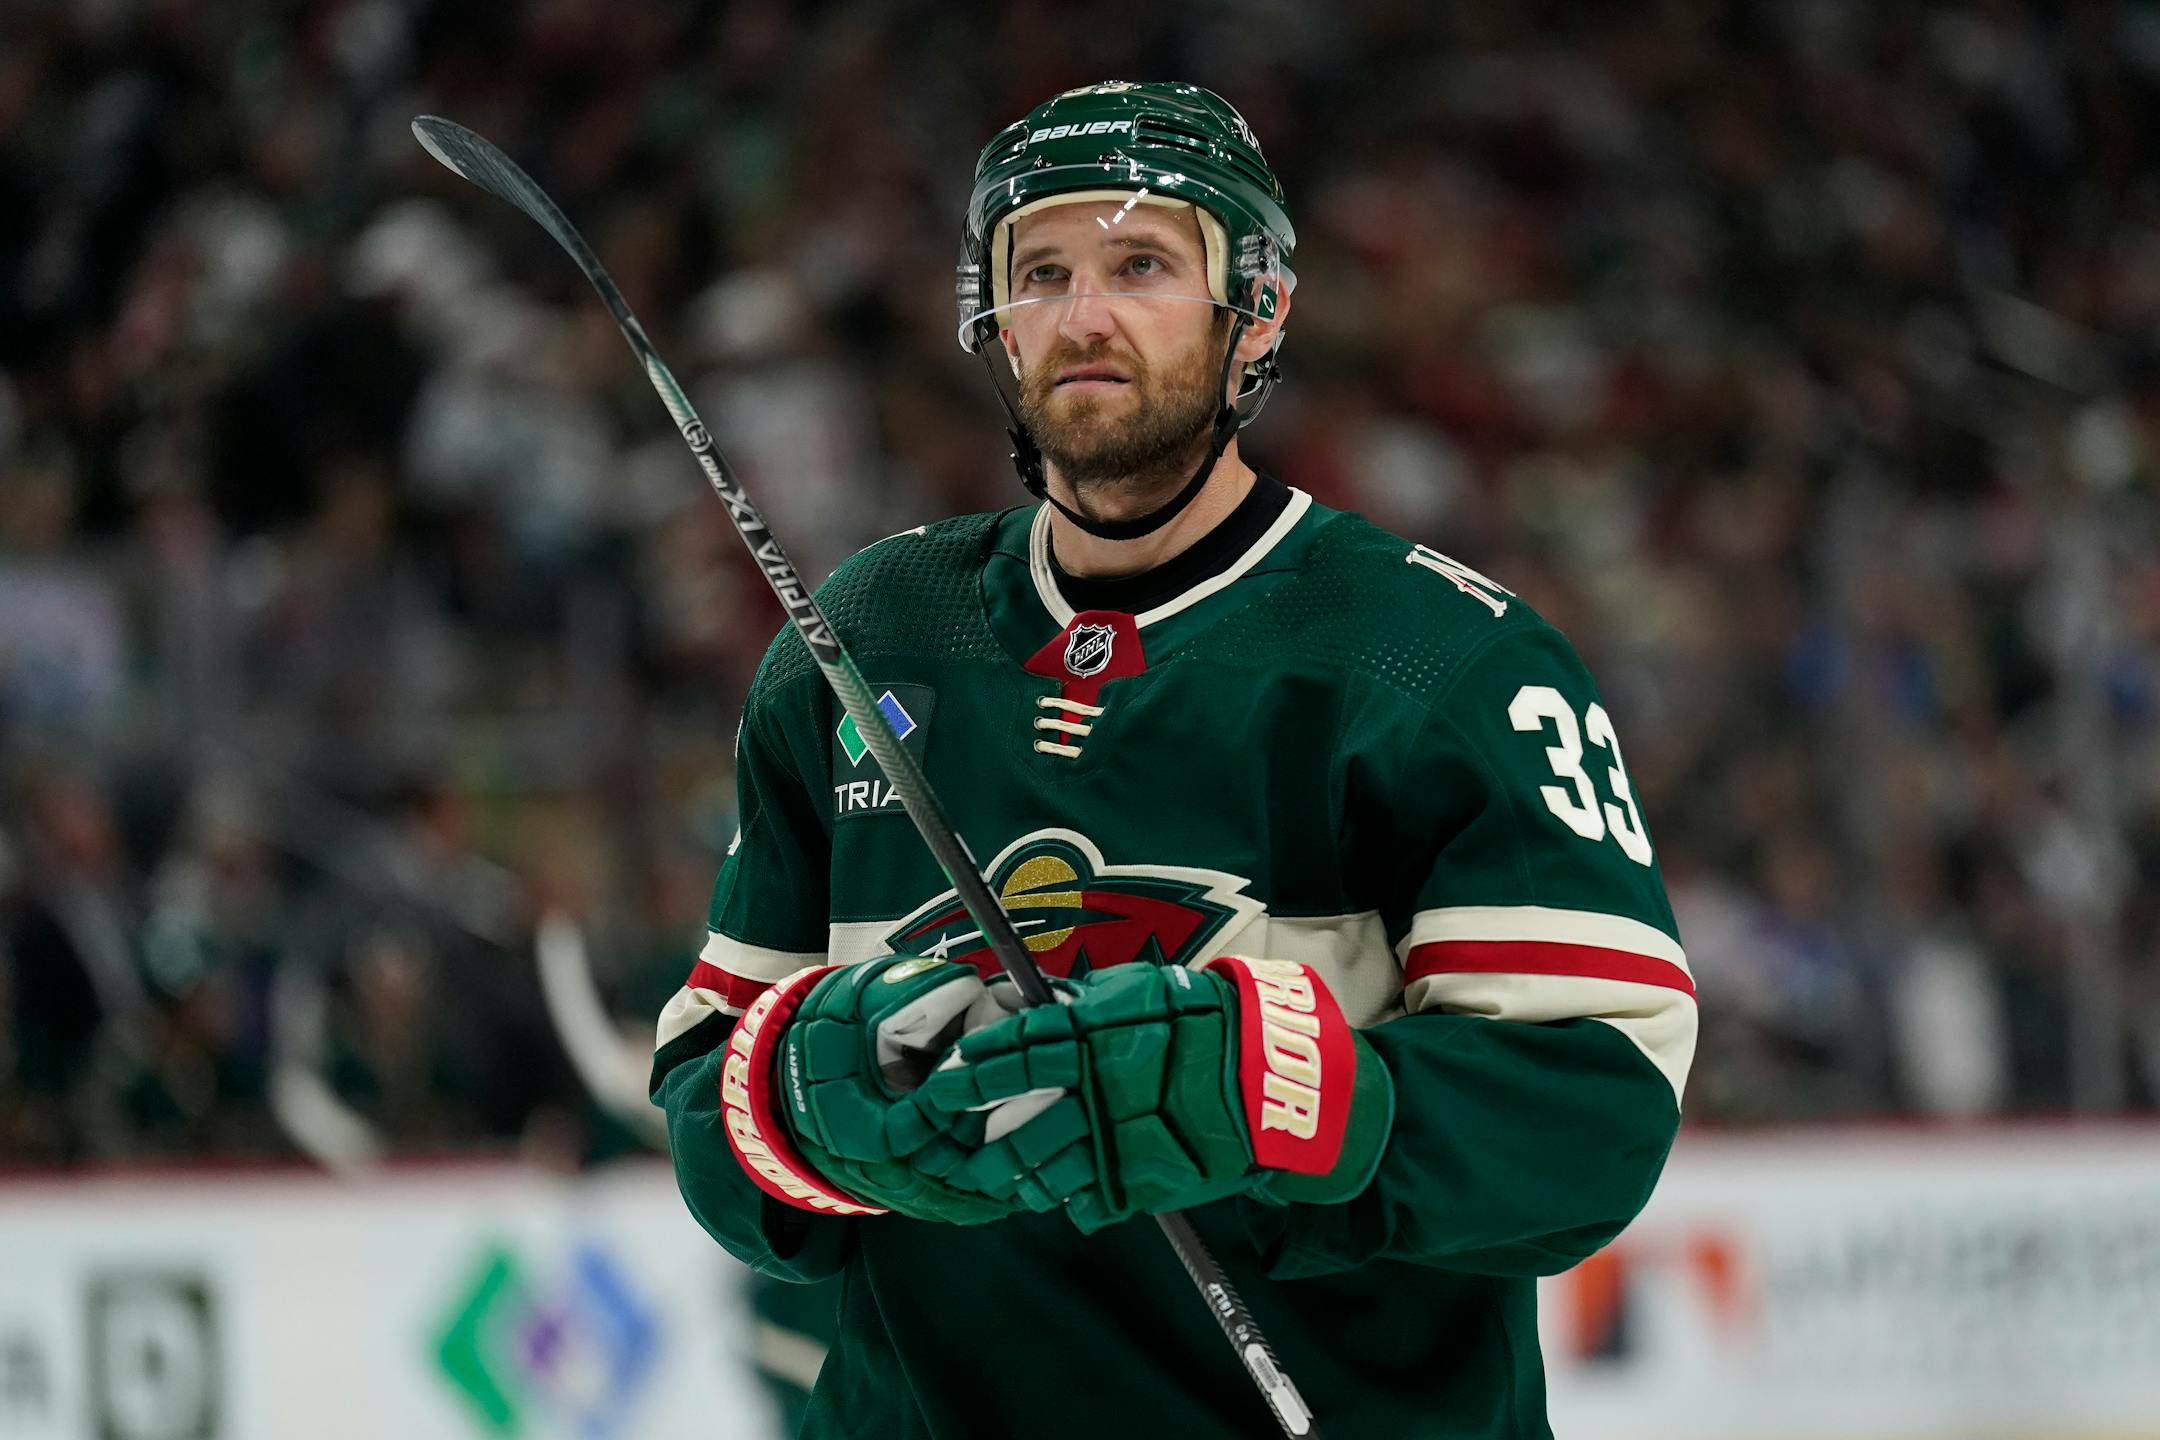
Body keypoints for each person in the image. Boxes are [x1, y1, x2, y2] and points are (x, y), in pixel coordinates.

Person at [652, 81, 1695, 1440]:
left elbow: (1593, 1126)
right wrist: (796, 1103)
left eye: (1141, 264)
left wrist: (1291, 1091)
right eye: (1042, 273)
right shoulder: (860, 639)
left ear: (1253, 310)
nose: (1082, 316)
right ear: (992, 320)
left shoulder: (1446, 665)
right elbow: (709, 1103)